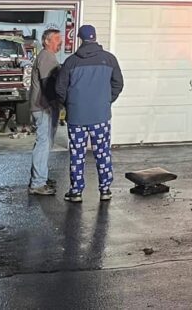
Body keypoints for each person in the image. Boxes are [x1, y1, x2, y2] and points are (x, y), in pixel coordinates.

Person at [55, 25, 124, 203]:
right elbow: (118, 84)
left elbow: (60, 88)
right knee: (102, 152)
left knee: (77, 154)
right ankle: (105, 189)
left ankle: (76, 191)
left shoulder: (71, 62)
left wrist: (70, 105)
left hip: (77, 117)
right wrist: (107, 101)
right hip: (100, 116)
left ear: (80, 38)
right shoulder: (109, 59)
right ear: (95, 37)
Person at [29, 29, 63, 196]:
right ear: (47, 41)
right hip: (44, 107)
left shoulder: (46, 56)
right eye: (57, 39)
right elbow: (49, 85)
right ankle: (38, 183)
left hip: (43, 107)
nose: (60, 42)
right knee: (43, 143)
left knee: (45, 143)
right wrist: (57, 103)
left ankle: (40, 177)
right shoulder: (47, 56)